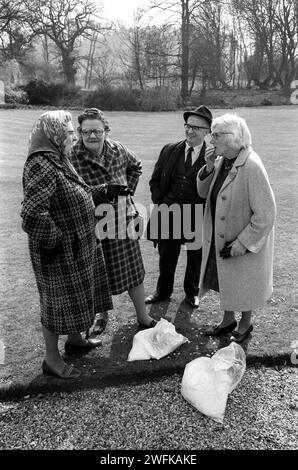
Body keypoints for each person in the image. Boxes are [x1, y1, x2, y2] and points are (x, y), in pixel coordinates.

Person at [21, 110, 114, 379]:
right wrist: (58, 242)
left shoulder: (59, 158)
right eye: (69, 131)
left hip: (78, 247)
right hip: (58, 253)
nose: (73, 136)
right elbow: (32, 213)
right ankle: (51, 359)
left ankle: (75, 340)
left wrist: (103, 190)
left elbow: (75, 193)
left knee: (77, 298)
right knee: (54, 304)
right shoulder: (41, 163)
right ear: (54, 133)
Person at [71, 108, 156, 328]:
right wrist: (103, 191)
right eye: (86, 131)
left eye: (97, 131)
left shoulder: (118, 149)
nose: (92, 136)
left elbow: (136, 166)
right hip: (92, 223)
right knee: (98, 275)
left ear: (106, 131)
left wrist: (127, 192)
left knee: (134, 271)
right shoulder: (71, 156)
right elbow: (70, 192)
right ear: (80, 132)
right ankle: (102, 317)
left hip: (123, 221)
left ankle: (142, 315)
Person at [197, 113, 276, 343]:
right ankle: (228, 320)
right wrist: (209, 166)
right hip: (221, 238)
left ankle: (245, 324)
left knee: (244, 284)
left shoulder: (251, 165)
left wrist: (242, 243)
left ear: (234, 138)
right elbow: (204, 193)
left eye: (216, 135)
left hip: (241, 241)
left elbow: (266, 213)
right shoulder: (223, 160)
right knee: (227, 281)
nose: (211, 140)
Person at [145, 106, 213, 308]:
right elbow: (155, 180)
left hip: (197, 215)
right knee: (167, 257)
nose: (190, 131)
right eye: (188, 125)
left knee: (195, 257)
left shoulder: (214, 156)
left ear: (208, 131)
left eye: (196, 128)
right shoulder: (169, 150)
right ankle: (162, 291)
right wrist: (160, 201)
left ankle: (192, 293)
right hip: (168, 212)